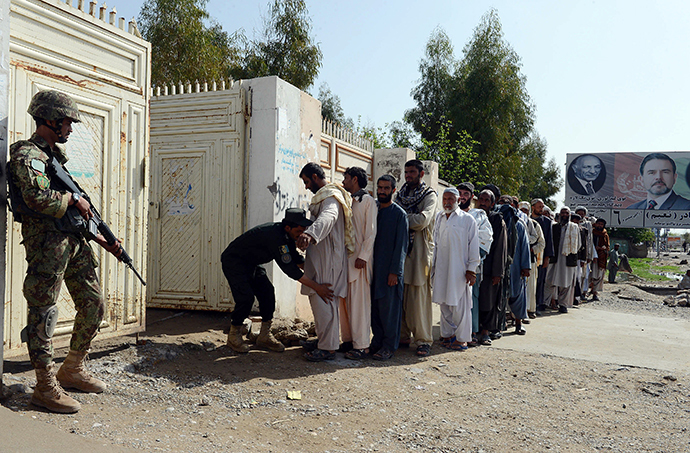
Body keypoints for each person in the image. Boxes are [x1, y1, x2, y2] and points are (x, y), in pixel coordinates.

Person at [6, 90, 123, 413]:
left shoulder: (56, 159)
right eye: (67, 122)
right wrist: (72, 200)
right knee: (44, 316)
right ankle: (44, 388)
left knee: (94, 305)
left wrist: (105, 241)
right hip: (48, 247)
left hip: (74, 243)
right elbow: (35, 198)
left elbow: (77, 216)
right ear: (48, 120)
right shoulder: (27, 155)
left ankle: (72, 368)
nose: (70, 129)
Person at [221, 208, 333, 354]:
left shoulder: (288, 236)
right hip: (234, 262)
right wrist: (318, 287)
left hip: (252, 263)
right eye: (299, 230)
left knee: (267, 293)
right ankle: (234, 335)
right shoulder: (276, 238)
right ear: (288, 227)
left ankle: (264, 336)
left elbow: (298, 261)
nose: (302, 234)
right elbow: (291, 270)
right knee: (246, 298)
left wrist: (321, 275)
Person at [297, 162, 354, 362]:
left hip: (328, 258)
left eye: (306, 181)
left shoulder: (331, 196)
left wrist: (310, 234)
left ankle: (328, 348)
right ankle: (325, 341)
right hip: (321, 256)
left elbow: (328, 218)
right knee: (320, 299)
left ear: (314, 176)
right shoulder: (326, 195)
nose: (306, 186)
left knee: (325, 300)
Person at [394, 159, 437, 357]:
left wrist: (401, 219)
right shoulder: (400, 195)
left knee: (419, 298)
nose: (408, 175)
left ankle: (423, 340)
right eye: (406, 172)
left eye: (412, 172)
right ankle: (403, 336)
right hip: (402, 252)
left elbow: (422, 220)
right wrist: (408, 218)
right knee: (401, 296)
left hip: (419, 254)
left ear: (421, 174)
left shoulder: (430, 196)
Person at [432, 188, 480, 350]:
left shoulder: (467, 220)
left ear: (458, 200)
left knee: (460, 305)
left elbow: (473, 246)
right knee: (444, 303)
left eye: (451, 199)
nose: (447, 202)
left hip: (459, 270)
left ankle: (462, 338)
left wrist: (471, 269)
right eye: (445, 198)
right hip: (441, 268)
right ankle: (448, 335)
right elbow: (435, 244)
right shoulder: (439, 218)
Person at [339, 167, 377, 360]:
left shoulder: (368, 201)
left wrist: (364, 255)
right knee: (344, 303)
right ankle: (348, 340)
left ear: (354, 179)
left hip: (360, 262)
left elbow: (371, 232)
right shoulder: (347, 201)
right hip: (345, 260)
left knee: (360, 303)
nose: (343, 181)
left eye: (345, 178)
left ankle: (362, 345)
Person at [370, 175, 408, 361]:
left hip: (390, 272)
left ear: (393, 190)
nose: (382, 191)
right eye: (380, 188)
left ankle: (389, 346)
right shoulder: (373, 210)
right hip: (373, 269)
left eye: (386, 188)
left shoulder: (399, 214)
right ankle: (376, 342)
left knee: (389, 310)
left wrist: (395, 272)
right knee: (375, 309)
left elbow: (401, 246)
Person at [458, 182, 493, 346]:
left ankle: (471, 332)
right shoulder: (449, 214)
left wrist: (470, 262)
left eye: (466, 194)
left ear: (472, 197)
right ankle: (453, 333)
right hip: (452, 266)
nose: (462, 197)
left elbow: (485, 239)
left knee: (471, 299)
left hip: (472, 267)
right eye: (459, 193)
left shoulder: (479, 216)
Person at [496, 196, 531, 334]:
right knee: (499, 295)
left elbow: (525, 246)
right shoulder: (495, 221)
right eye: (501, 204)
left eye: (507, 204)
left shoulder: (519, 224)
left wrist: (525, 267)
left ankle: (519, 323)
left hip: (516, 265)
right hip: (499, 265)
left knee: (518, 294)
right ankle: (498, 324)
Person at [476, 189, 507, 345]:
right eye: (480, 199)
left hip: (489, 268)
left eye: (486, 200)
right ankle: (475, 329)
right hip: (474, 267)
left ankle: (486, 331)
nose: (482, 202)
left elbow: (500, 248)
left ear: (493, 203)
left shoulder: (497, 220)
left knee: (488, 300)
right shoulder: (472, 216)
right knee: (475, 300)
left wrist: (497, 272)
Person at [550, 207, 581, 313]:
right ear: (559, 214)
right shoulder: (555, 227)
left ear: (569, 215)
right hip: (555, 257)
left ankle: (563, 304)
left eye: (566, 213)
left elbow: (579, 244)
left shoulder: (574, 227)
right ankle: (549, 302)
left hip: (568, 257)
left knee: (566, 282)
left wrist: (570, 251)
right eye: (562, 213)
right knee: (551, 280)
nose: (564, 215)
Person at [519, 202, 544, 320]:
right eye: (522, 210)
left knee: (530, 287)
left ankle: (530, 310)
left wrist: (532, 249)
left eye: (526, 210)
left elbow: (541, 243)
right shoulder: (515, 222)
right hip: (517, 260)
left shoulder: (534, 225)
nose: (524, 212)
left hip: (530, 260)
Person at [531, 199, 554, 314]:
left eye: (542, 207)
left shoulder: (547, 221)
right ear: (533, 207)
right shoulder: (527, 219)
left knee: (540, 281)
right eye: (539, 207)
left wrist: (547, 258)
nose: (541, 209)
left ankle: (538, 305)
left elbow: (549, 241)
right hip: (529, 255)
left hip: (541, 256)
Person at [590, 218, 610, 301]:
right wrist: (594, 248)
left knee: (598, 276)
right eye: (598, 224)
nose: (600, 225)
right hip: (590, 257)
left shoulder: (605, 235)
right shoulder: (591, 232)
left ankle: (595, 293)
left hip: (601, 258)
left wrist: (602, 248)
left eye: (601, 224)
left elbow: (607, 247)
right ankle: (583, 292)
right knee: (589, 275)